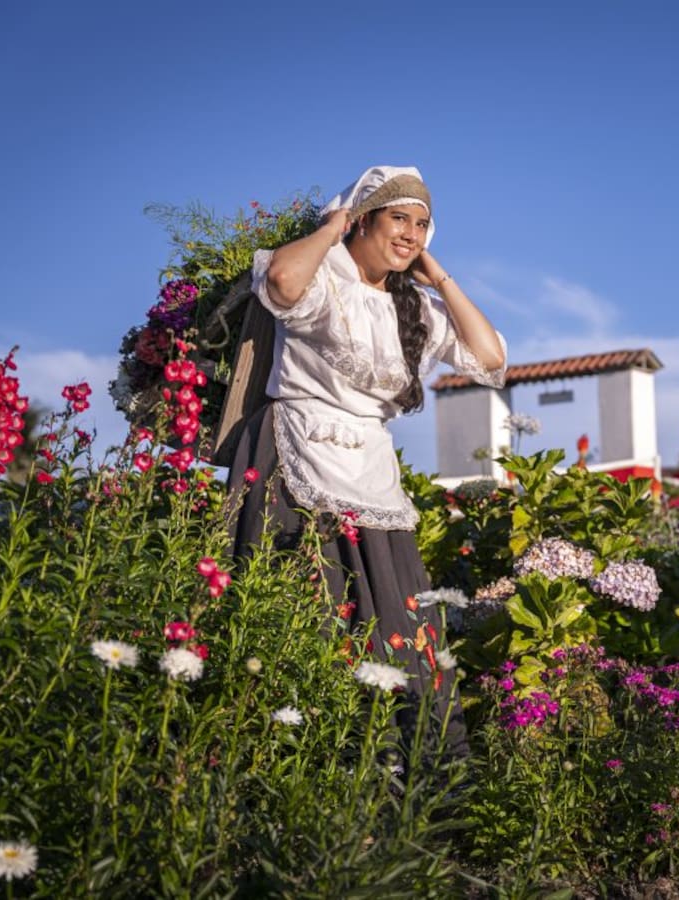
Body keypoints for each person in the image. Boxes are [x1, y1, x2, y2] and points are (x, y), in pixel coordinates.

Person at [226, 166, 506, 754]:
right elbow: (280, 280)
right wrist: (331, 230)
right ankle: (309, 760)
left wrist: (439, 275)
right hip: (297, 457)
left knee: (396, 623)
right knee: (313, 607)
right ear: (364, 220)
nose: (410, 233)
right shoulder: (323, 273)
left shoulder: (417, 307)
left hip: (371, 472)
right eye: (398, 218)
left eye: (422, 224)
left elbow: (489, 358)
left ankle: (404, 765)